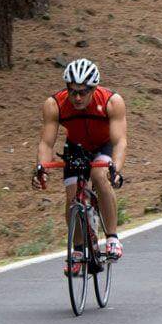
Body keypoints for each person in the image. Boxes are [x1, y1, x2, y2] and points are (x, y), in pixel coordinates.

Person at [31, 58, 127, 274]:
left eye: (83, 92)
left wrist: (116, 169)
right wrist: (41, 167)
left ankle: (112, 238)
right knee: (72, 194)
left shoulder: (112, 102)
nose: (77, 97)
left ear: (93, 89)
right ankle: (77, 250)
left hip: (103, 146)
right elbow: (46, 142)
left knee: (99, 175)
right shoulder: (54, 104)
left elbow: (120, 141)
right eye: (73, 91)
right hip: (76, 146)